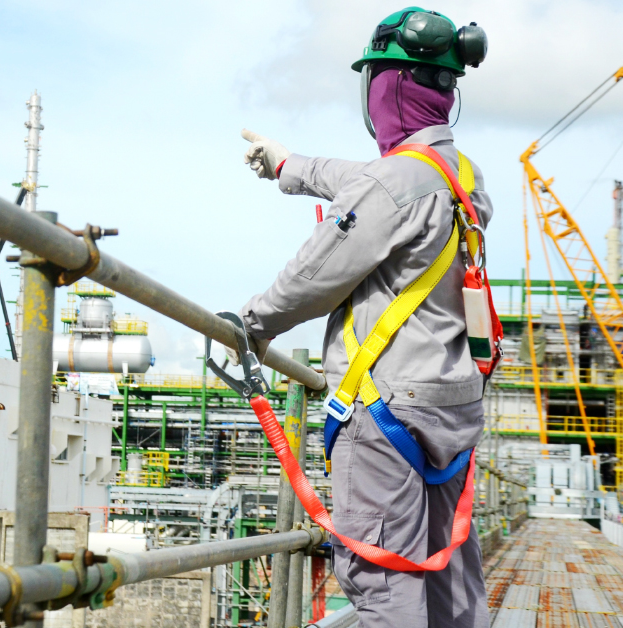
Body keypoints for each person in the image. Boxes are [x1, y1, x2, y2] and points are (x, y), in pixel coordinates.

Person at [236, 8, 491, 628]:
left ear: (386, 87)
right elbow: (371, 181)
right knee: (450, 580)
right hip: (450, 404)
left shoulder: (395, 183)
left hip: (388, 409)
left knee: (382, 584)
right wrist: (289, 167)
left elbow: (312, 279)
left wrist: (250, 323)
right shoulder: (461, 177)